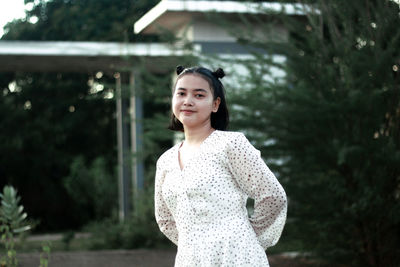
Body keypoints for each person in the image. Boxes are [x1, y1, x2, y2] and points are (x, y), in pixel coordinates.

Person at [154, 65, 287, 267]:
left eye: (199, 95)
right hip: (190, 259)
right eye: (181, 93)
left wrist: (247, 238)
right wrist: (196, 244)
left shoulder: (230, 144)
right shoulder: (166, 160)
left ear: (215, 104)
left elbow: (273, 196)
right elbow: (164, 219)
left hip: (236, 256)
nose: (188, 101)